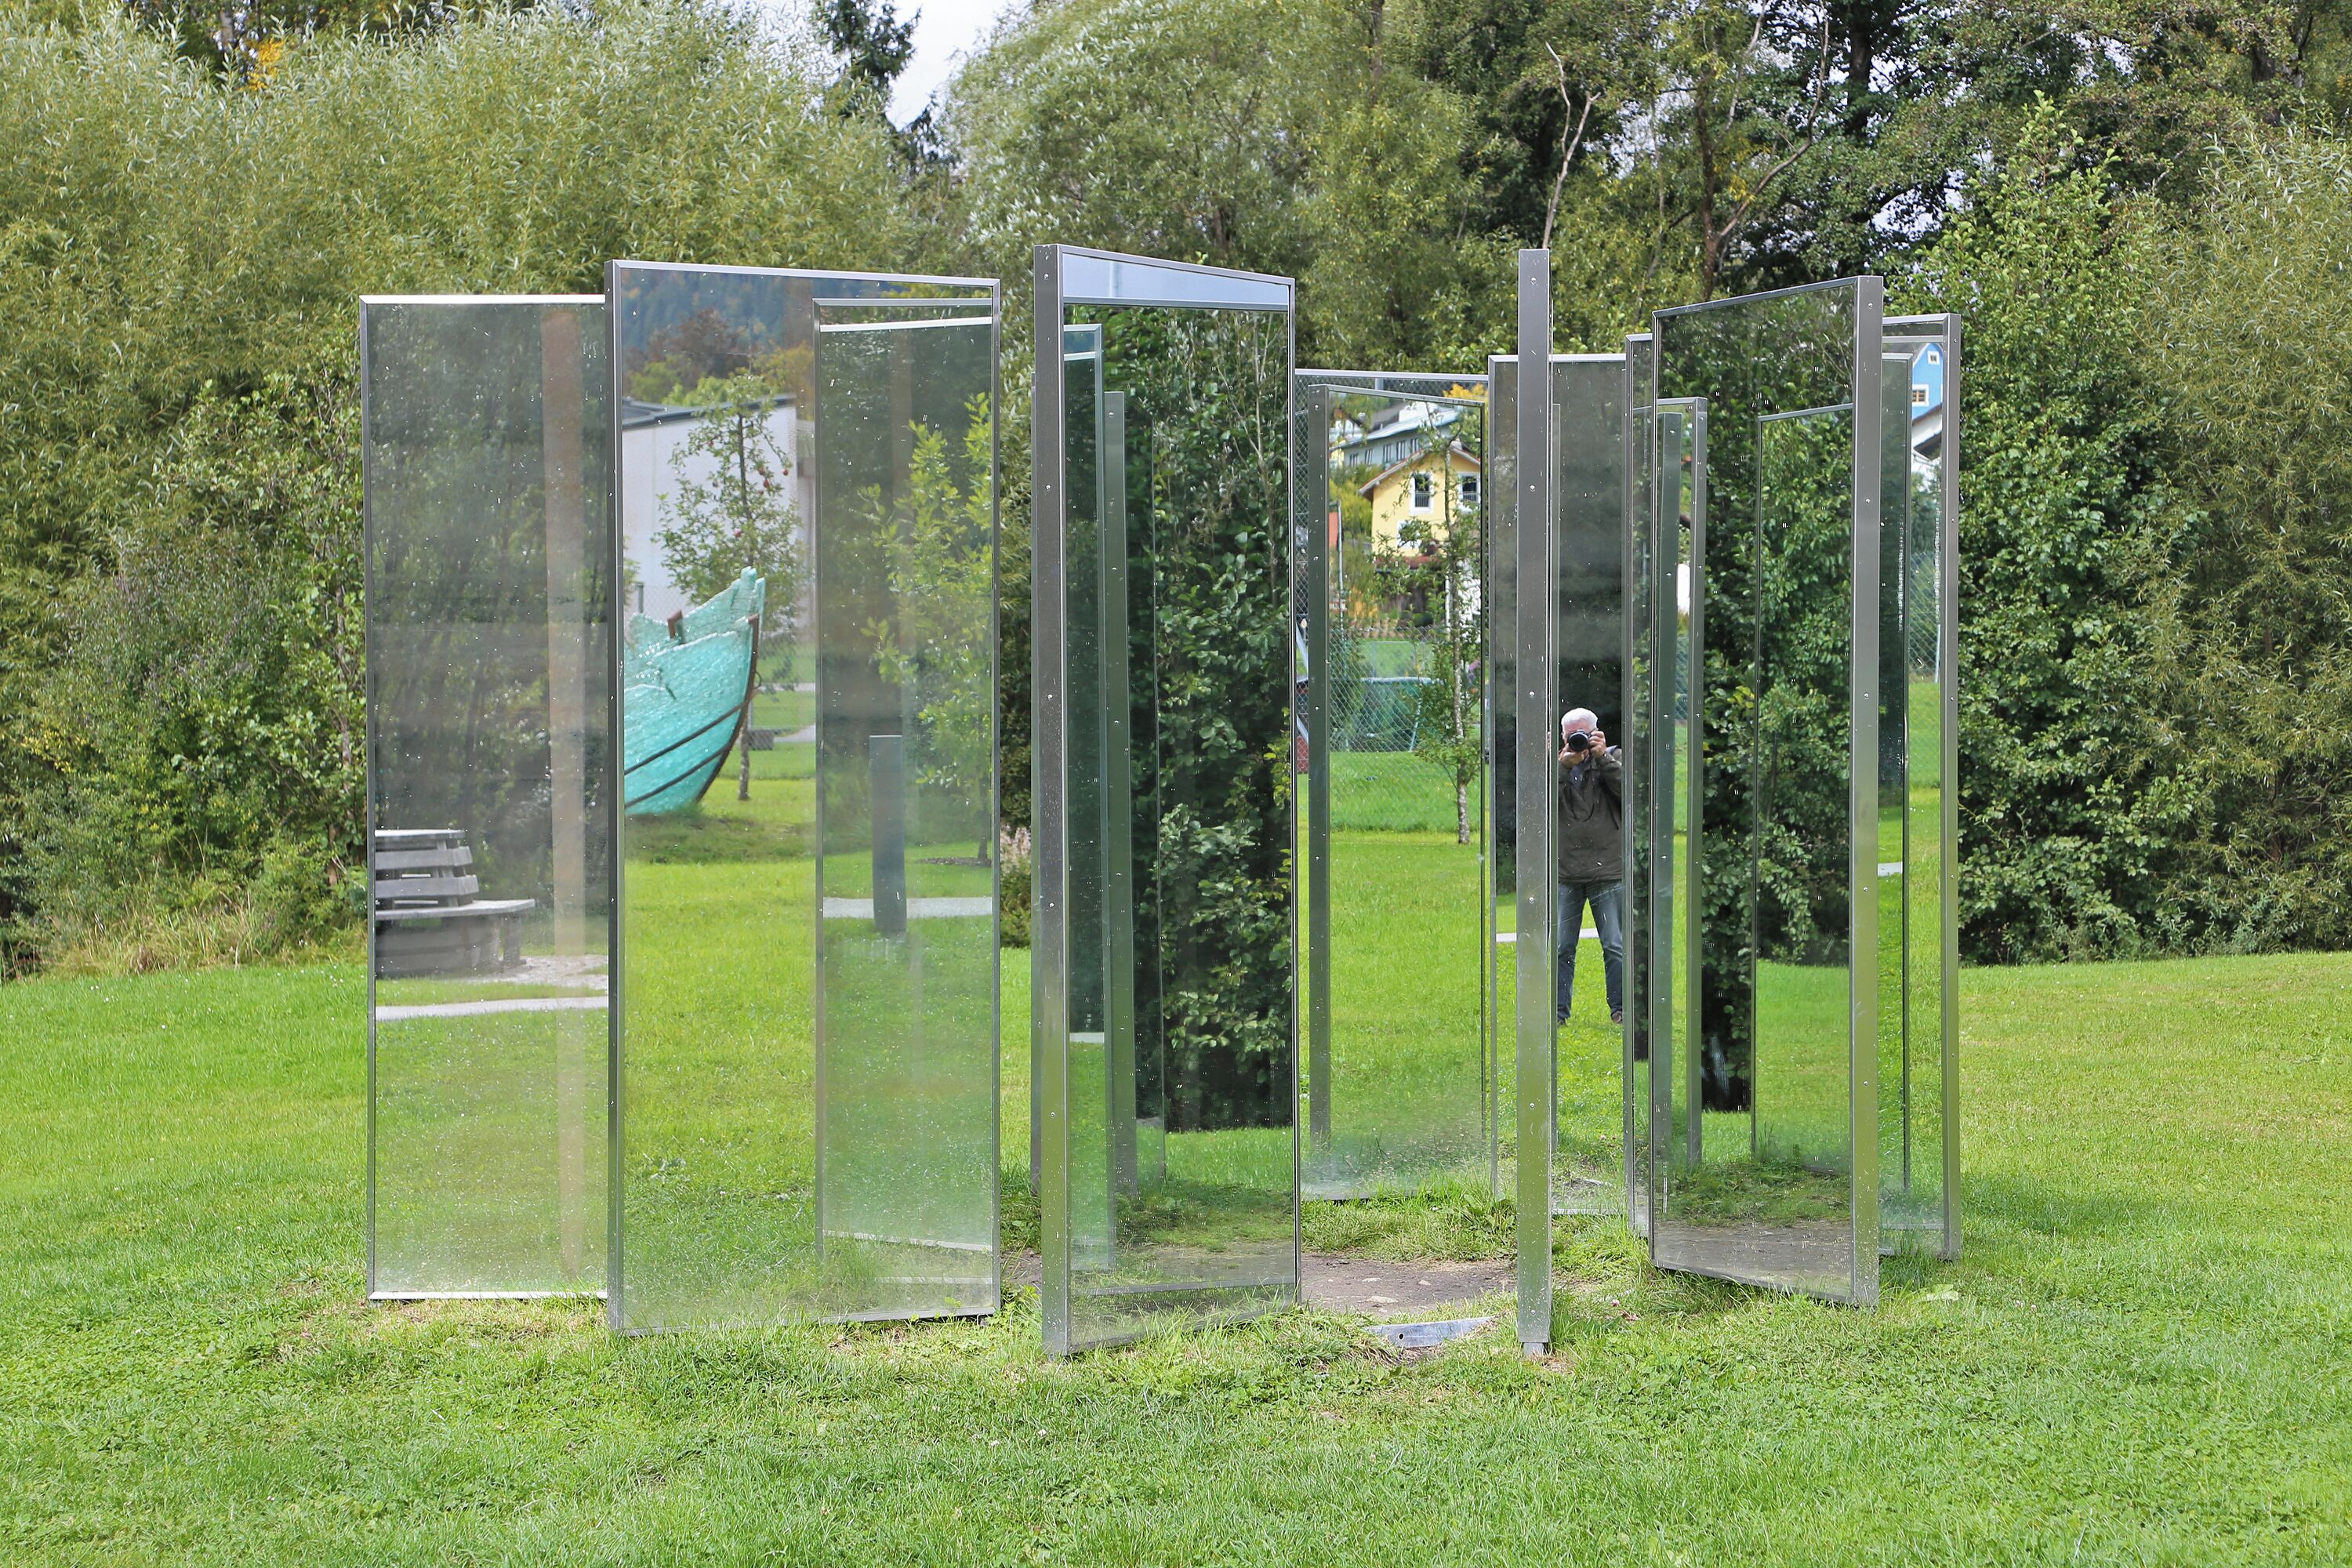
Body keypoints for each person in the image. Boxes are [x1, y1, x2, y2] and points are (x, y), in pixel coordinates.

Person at [1555, 706, 1624, 1026]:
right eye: (1573, 738)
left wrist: (1604, 759)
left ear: (1597, 734)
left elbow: (1633, 798)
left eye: (1584, 735)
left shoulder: (1613, 759)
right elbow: (1535, 809)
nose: (1579, 743)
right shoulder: (1554, 768)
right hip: (1567, 873)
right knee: (1561, 948)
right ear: (1563, 738)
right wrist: (1561, 768)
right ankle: (1558, 1015)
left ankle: (1621, 1011)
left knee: (1615, 945)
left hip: (1607, 871)